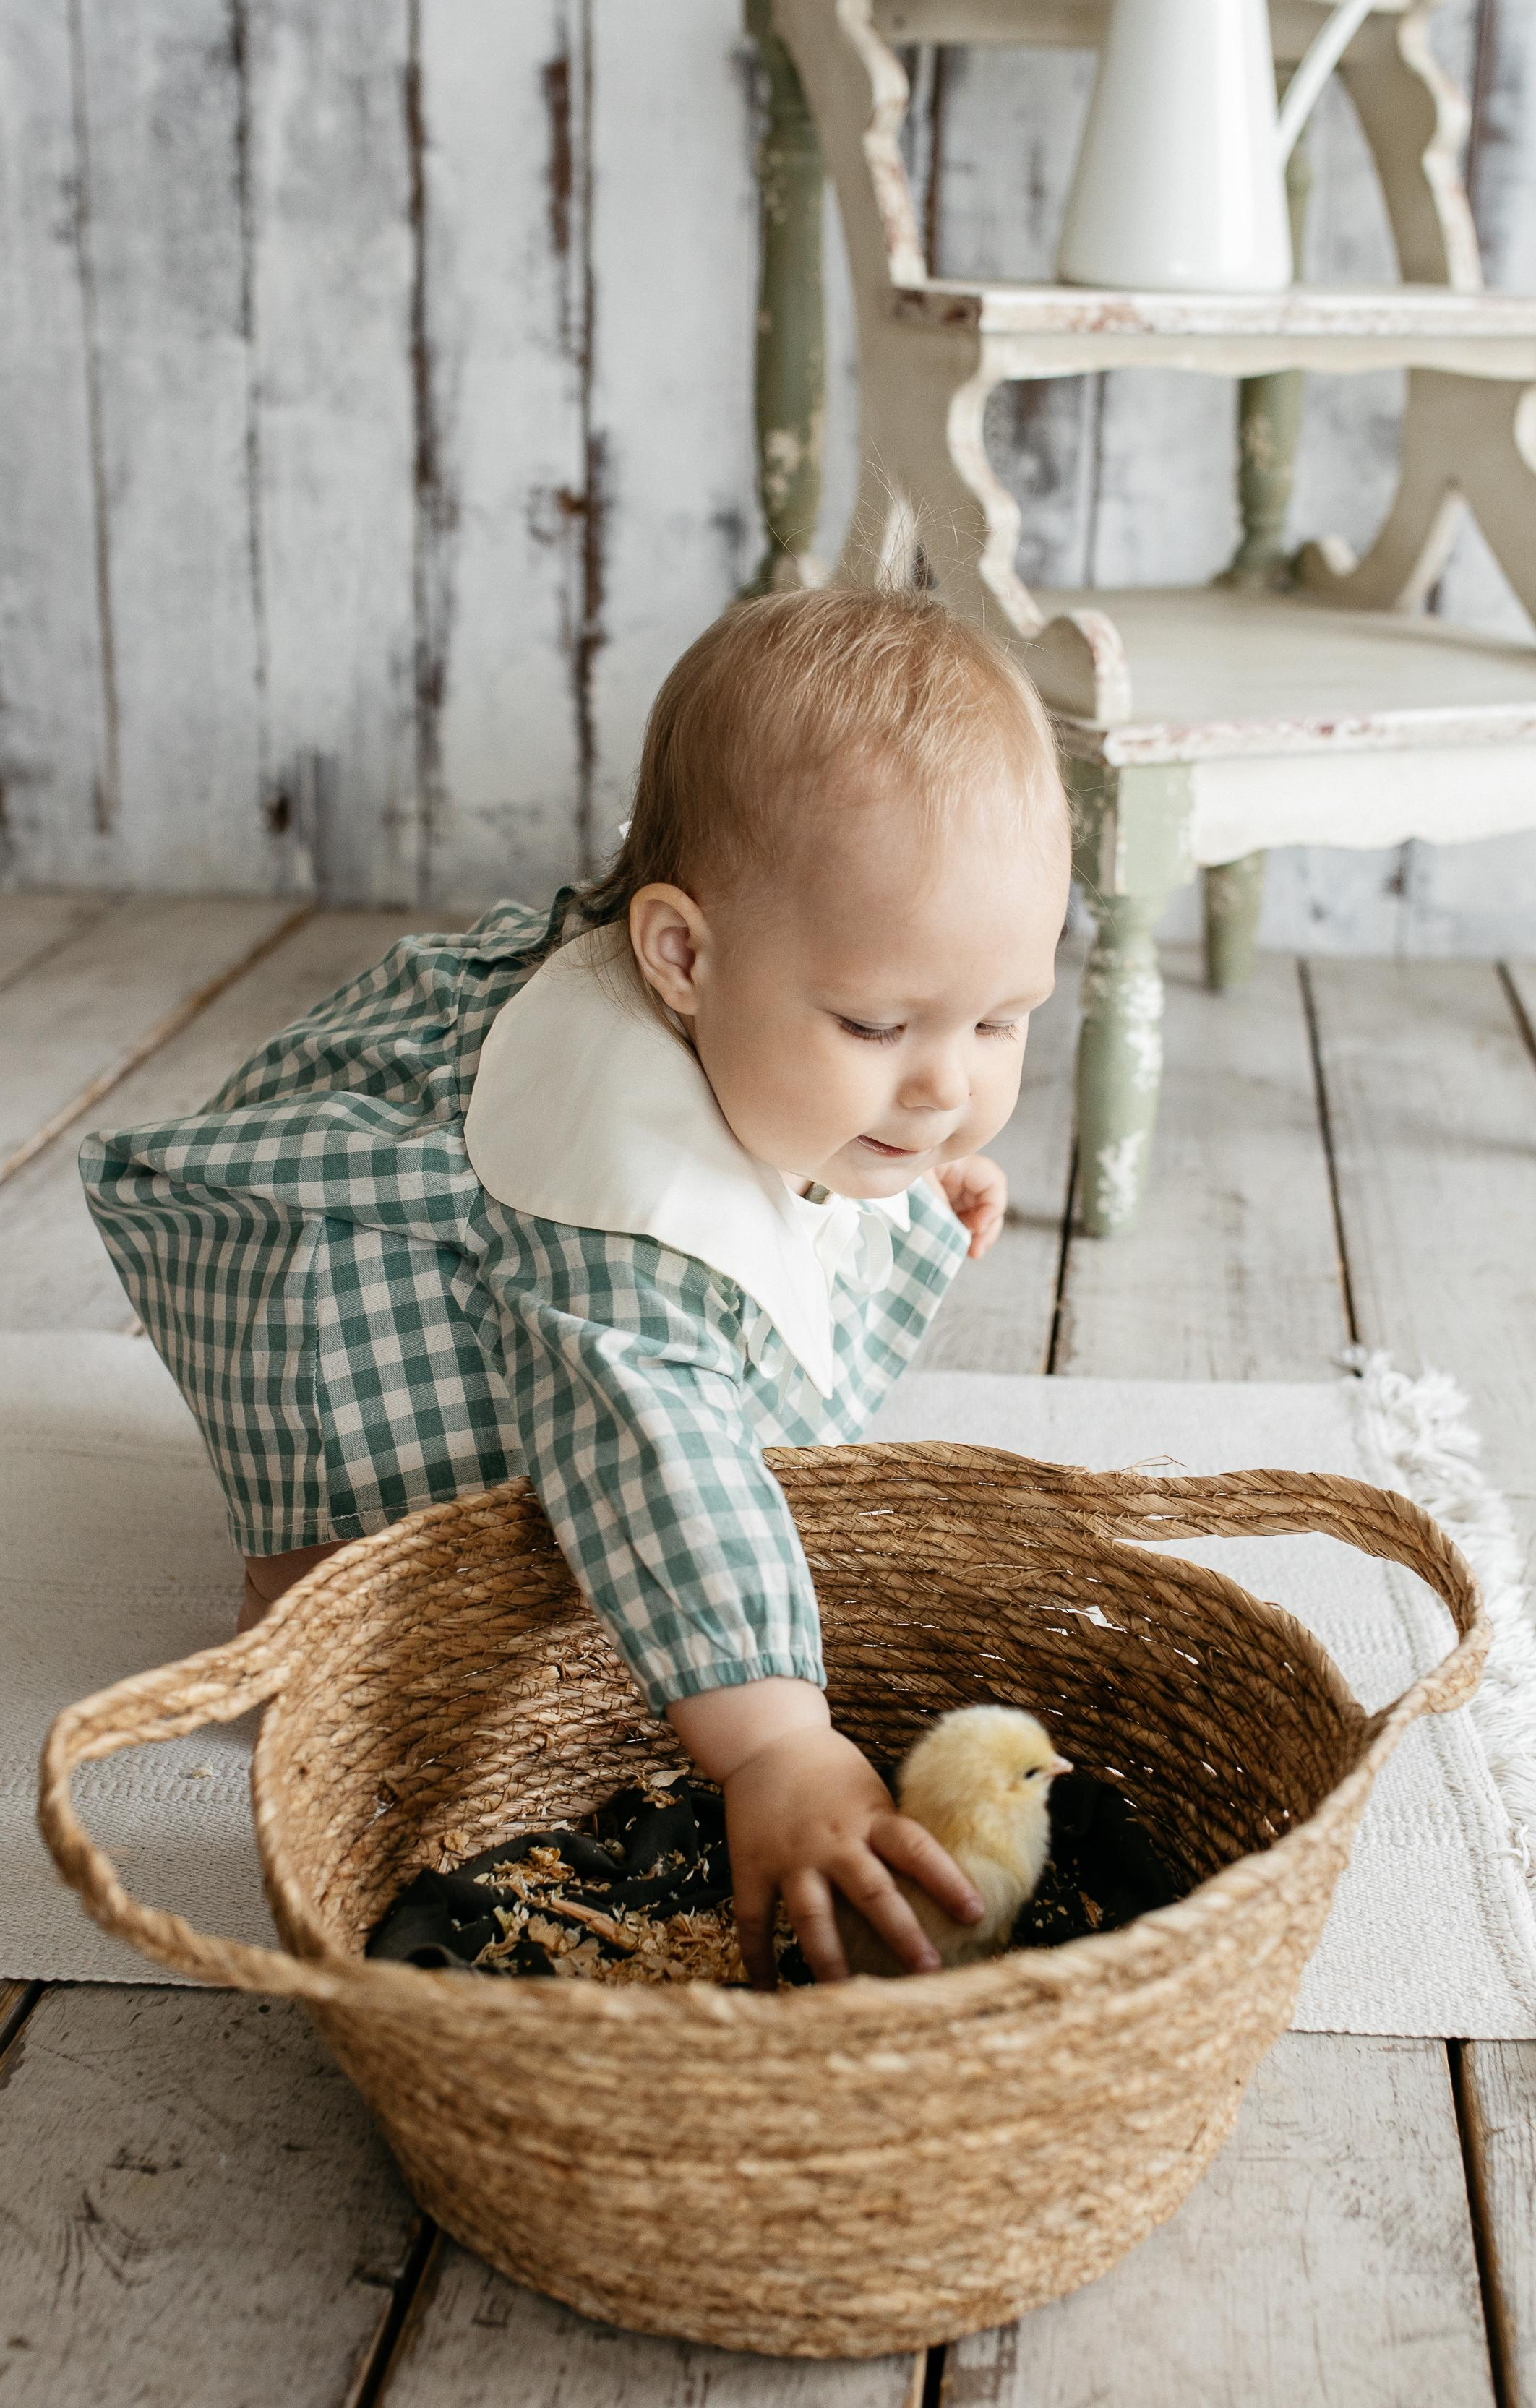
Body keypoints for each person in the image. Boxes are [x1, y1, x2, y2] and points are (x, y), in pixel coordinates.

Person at [82, 586, 1073, 1989]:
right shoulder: (608, 1176)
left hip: (551, 1210)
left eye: (999, 1020)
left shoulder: (789, 1037)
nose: (949, 1081)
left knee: (674, 1367)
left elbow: (860, 1123)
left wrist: (909, 1168)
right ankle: (295, 1583)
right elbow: (652, 1437)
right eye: (877, 1022)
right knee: (433, 1537)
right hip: (337, 1260)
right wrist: (780, 1741)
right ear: (681, 955)